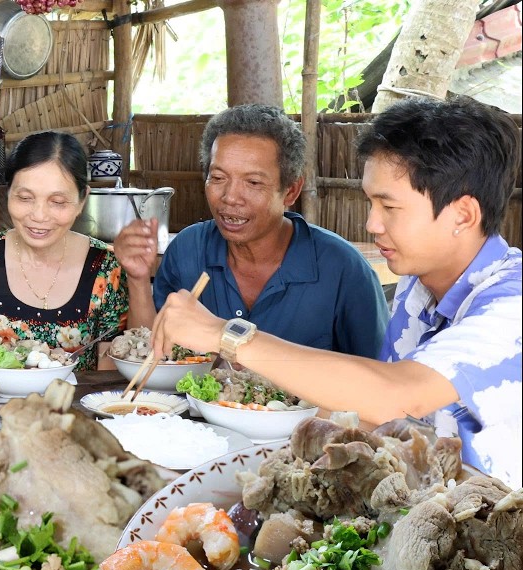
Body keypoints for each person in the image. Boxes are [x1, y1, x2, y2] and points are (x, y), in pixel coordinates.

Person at [153, 96, 521, 489]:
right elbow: (374, 418)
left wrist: (223, 334)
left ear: (463, 215)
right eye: (370, 202)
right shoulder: (419, 285)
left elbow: (399, 395)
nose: (371, 224)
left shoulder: (511, 304)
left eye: (389, 207)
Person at [116, 104, 387, 358]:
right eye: (218, 178)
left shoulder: (343, 270)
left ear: (290, 190)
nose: (231, 197)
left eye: (253, 182)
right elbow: (150, 353)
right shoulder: (189, 251)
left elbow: (378, 381)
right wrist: (138, 280)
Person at [0, 131, 155, 377]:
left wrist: (138, 279)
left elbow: (116, 372)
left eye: (58, 202)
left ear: (82, 199)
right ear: (8, 192)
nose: (39, 216)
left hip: (74, 412)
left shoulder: (107, 268)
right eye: (25, 198)